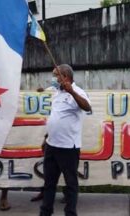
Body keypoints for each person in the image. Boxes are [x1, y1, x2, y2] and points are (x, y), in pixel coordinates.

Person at [39, 64, 91, 216]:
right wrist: (46, 138)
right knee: (49, 183)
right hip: (51, 145)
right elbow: (56, 117)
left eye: (56, 76)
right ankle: (45, 212)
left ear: (65, 77)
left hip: (68, 147)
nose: (53, 79)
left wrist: (72, 92)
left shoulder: (78, 92)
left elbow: (87, 107)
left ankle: (70, 213)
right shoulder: (56, 91)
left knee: (70, 185)